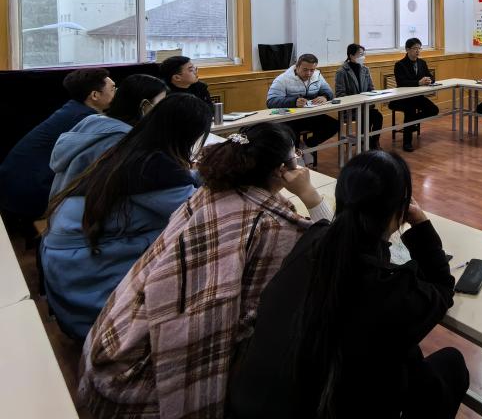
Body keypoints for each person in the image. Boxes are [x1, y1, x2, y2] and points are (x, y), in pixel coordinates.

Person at [79, 122, 332, 418]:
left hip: (114, 343)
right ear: (282, 170)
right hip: (143, 385)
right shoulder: (274, 226)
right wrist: (311, 195)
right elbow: (329, 245)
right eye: (295, 156)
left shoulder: (212, 191)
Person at [228, 150, 468, 419]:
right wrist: (421, 224)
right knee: (451, 364)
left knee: (406, 356)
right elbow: (442, 288)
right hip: (318, 405)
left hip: (251, 402)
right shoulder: (388, 289)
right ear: (399, 211)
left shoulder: (313, 239)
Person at [41, 93, 211, 340]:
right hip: (87, 285)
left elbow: (182, 185)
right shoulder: (154, 167)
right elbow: (197, 211)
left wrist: (200, 175)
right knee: (191, 244)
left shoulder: (132, 146)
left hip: (67, 259)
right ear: (187, 134)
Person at [0, 67, 116, 224]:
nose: (117, 92)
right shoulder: (84, 120)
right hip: (30, 194)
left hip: (12, 188)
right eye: (113, 88)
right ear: (95, 95)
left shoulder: (73, 109)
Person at [49, 73, 168, 198]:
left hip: (61, 203)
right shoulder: (122, 139)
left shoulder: (92, 120)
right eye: (161, 104)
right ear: (144, 106)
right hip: (85, 207)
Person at [266, 53, 338, 161]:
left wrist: (325, 96)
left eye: (312, 70)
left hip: (310, 115)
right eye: (305, 70)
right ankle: (295, 159)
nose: (309, 73)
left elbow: (328, 91)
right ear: (297, 66)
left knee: (333, 126)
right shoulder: (283, 79)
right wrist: (293, 102)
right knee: (291, 134)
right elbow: (271, 101)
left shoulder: (317, 75)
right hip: (290, 118)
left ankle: (307, 145)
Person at [389, 38, 439, 152]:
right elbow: (401, 82)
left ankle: (411, 123)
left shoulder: (422, 63)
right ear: (407, 49)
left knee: (434, 110)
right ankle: (407, 143)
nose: (418, 51)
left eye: (419, 48)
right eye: (415, 48)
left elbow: (431, 77)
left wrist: (429, 80)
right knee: (410, 111)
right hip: (402, 98)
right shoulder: (400, 64)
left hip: (417, 97)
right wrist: (418, 83)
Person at [335, 42, 383, 149]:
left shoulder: (365, 69)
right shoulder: (342, 71)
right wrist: (357, 100)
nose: (363, 57)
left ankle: (374, 142)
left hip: (365, 106)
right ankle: (366, 143)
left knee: (377, 116)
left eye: (363, 54)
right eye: (360, 54)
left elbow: (371, 88)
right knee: (364, 117)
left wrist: (372, 96)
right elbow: (340, 94)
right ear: (351, 55)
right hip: (351, 109)